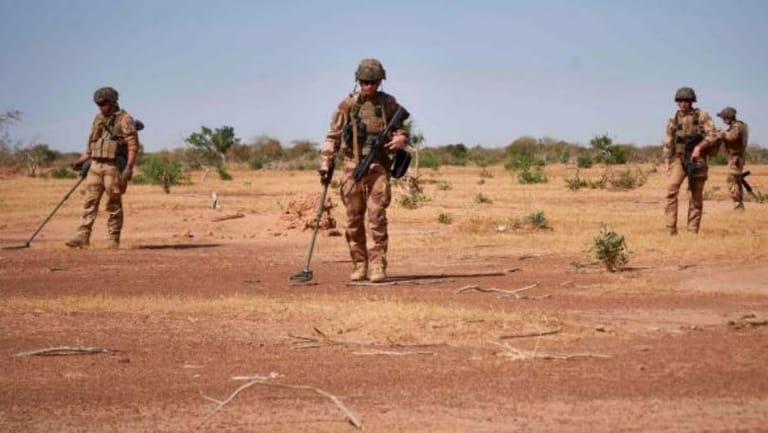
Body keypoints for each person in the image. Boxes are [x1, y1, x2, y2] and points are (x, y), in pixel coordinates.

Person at [319, 58, 410, 282]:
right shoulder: (347, 105)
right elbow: (333, 137)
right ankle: (359, 264)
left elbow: (402, 131)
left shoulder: (388, 104)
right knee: (353, 219)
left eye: (373, 82)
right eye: (364, 82)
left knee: (376, 216)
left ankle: (377, 265)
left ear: (380, 81)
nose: (368, 86)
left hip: (378, 167)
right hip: (352, 167)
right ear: (358, 81)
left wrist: (400, 139)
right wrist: (326, 161)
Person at [66, 87, 140, 249]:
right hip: (95, 165)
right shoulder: (98, 119)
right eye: (98, 104)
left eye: (103, 103)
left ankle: (113, 239)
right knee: (90, 201)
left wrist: (129, 167)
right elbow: (91, 145)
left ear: (113, 102)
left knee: (113, 203)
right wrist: (80, 161)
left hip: (113, 167)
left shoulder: (125, 119)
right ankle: (82, 236)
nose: (100, 107)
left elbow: (133, 145)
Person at [662, 86, 718, 235]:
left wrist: (699, 147)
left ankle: (692, 231)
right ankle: (670, 230)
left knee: (695, 195)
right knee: (671, 192)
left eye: (686, 100)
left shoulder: (702, 116)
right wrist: (667, 161)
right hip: (680, 160)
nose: (683, 103)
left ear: (692, 101)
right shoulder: (673, 119)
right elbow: (668, 141)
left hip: (697, 160)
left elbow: (713, 135)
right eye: (680, 100)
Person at [716, 106, 749, 210]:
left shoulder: (737, 126)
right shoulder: (740, 125)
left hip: (736, 158)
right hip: (737, 157)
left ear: (728, 117)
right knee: (737, 181)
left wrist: (722, 134)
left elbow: (732, 137)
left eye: (724, 118)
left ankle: (738, 205)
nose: (723, 120)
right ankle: (739, 205)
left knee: (732, 181)